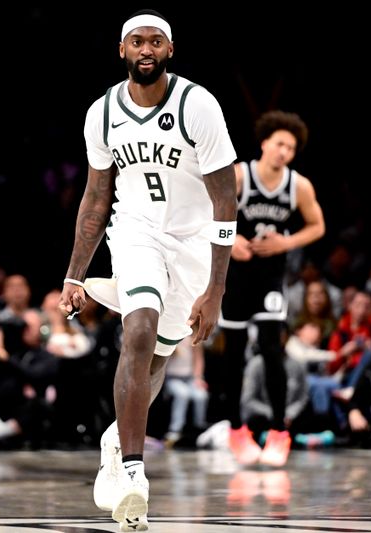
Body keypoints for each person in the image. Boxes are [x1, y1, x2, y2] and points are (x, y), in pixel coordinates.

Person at [58, 9, 237, 530]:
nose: (145, 49)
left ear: (170, 50)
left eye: (155, 41)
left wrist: (216, 289)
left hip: (193, 243)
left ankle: (117, 438)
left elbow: (226, 199)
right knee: (137, 330)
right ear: (122, 50)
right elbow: (96, 197)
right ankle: (134, 472)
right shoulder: (102, 113)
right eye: (136, 41)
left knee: (158, 355)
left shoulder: (197, 105)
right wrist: (74, 274)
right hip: (136, 233)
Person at [218, 110, 325, 467]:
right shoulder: (240, 176)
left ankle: (280, 431)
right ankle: (236, 429)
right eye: (280, 143)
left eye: (291, 148)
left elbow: (317, 226)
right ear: (264, 143)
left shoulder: (299, 186)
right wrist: (230, 238)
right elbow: (205, 208)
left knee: (270, 348)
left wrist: (287, 243)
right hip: (236, 274)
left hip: (270, 277)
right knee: (233, 355)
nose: (284, 152)